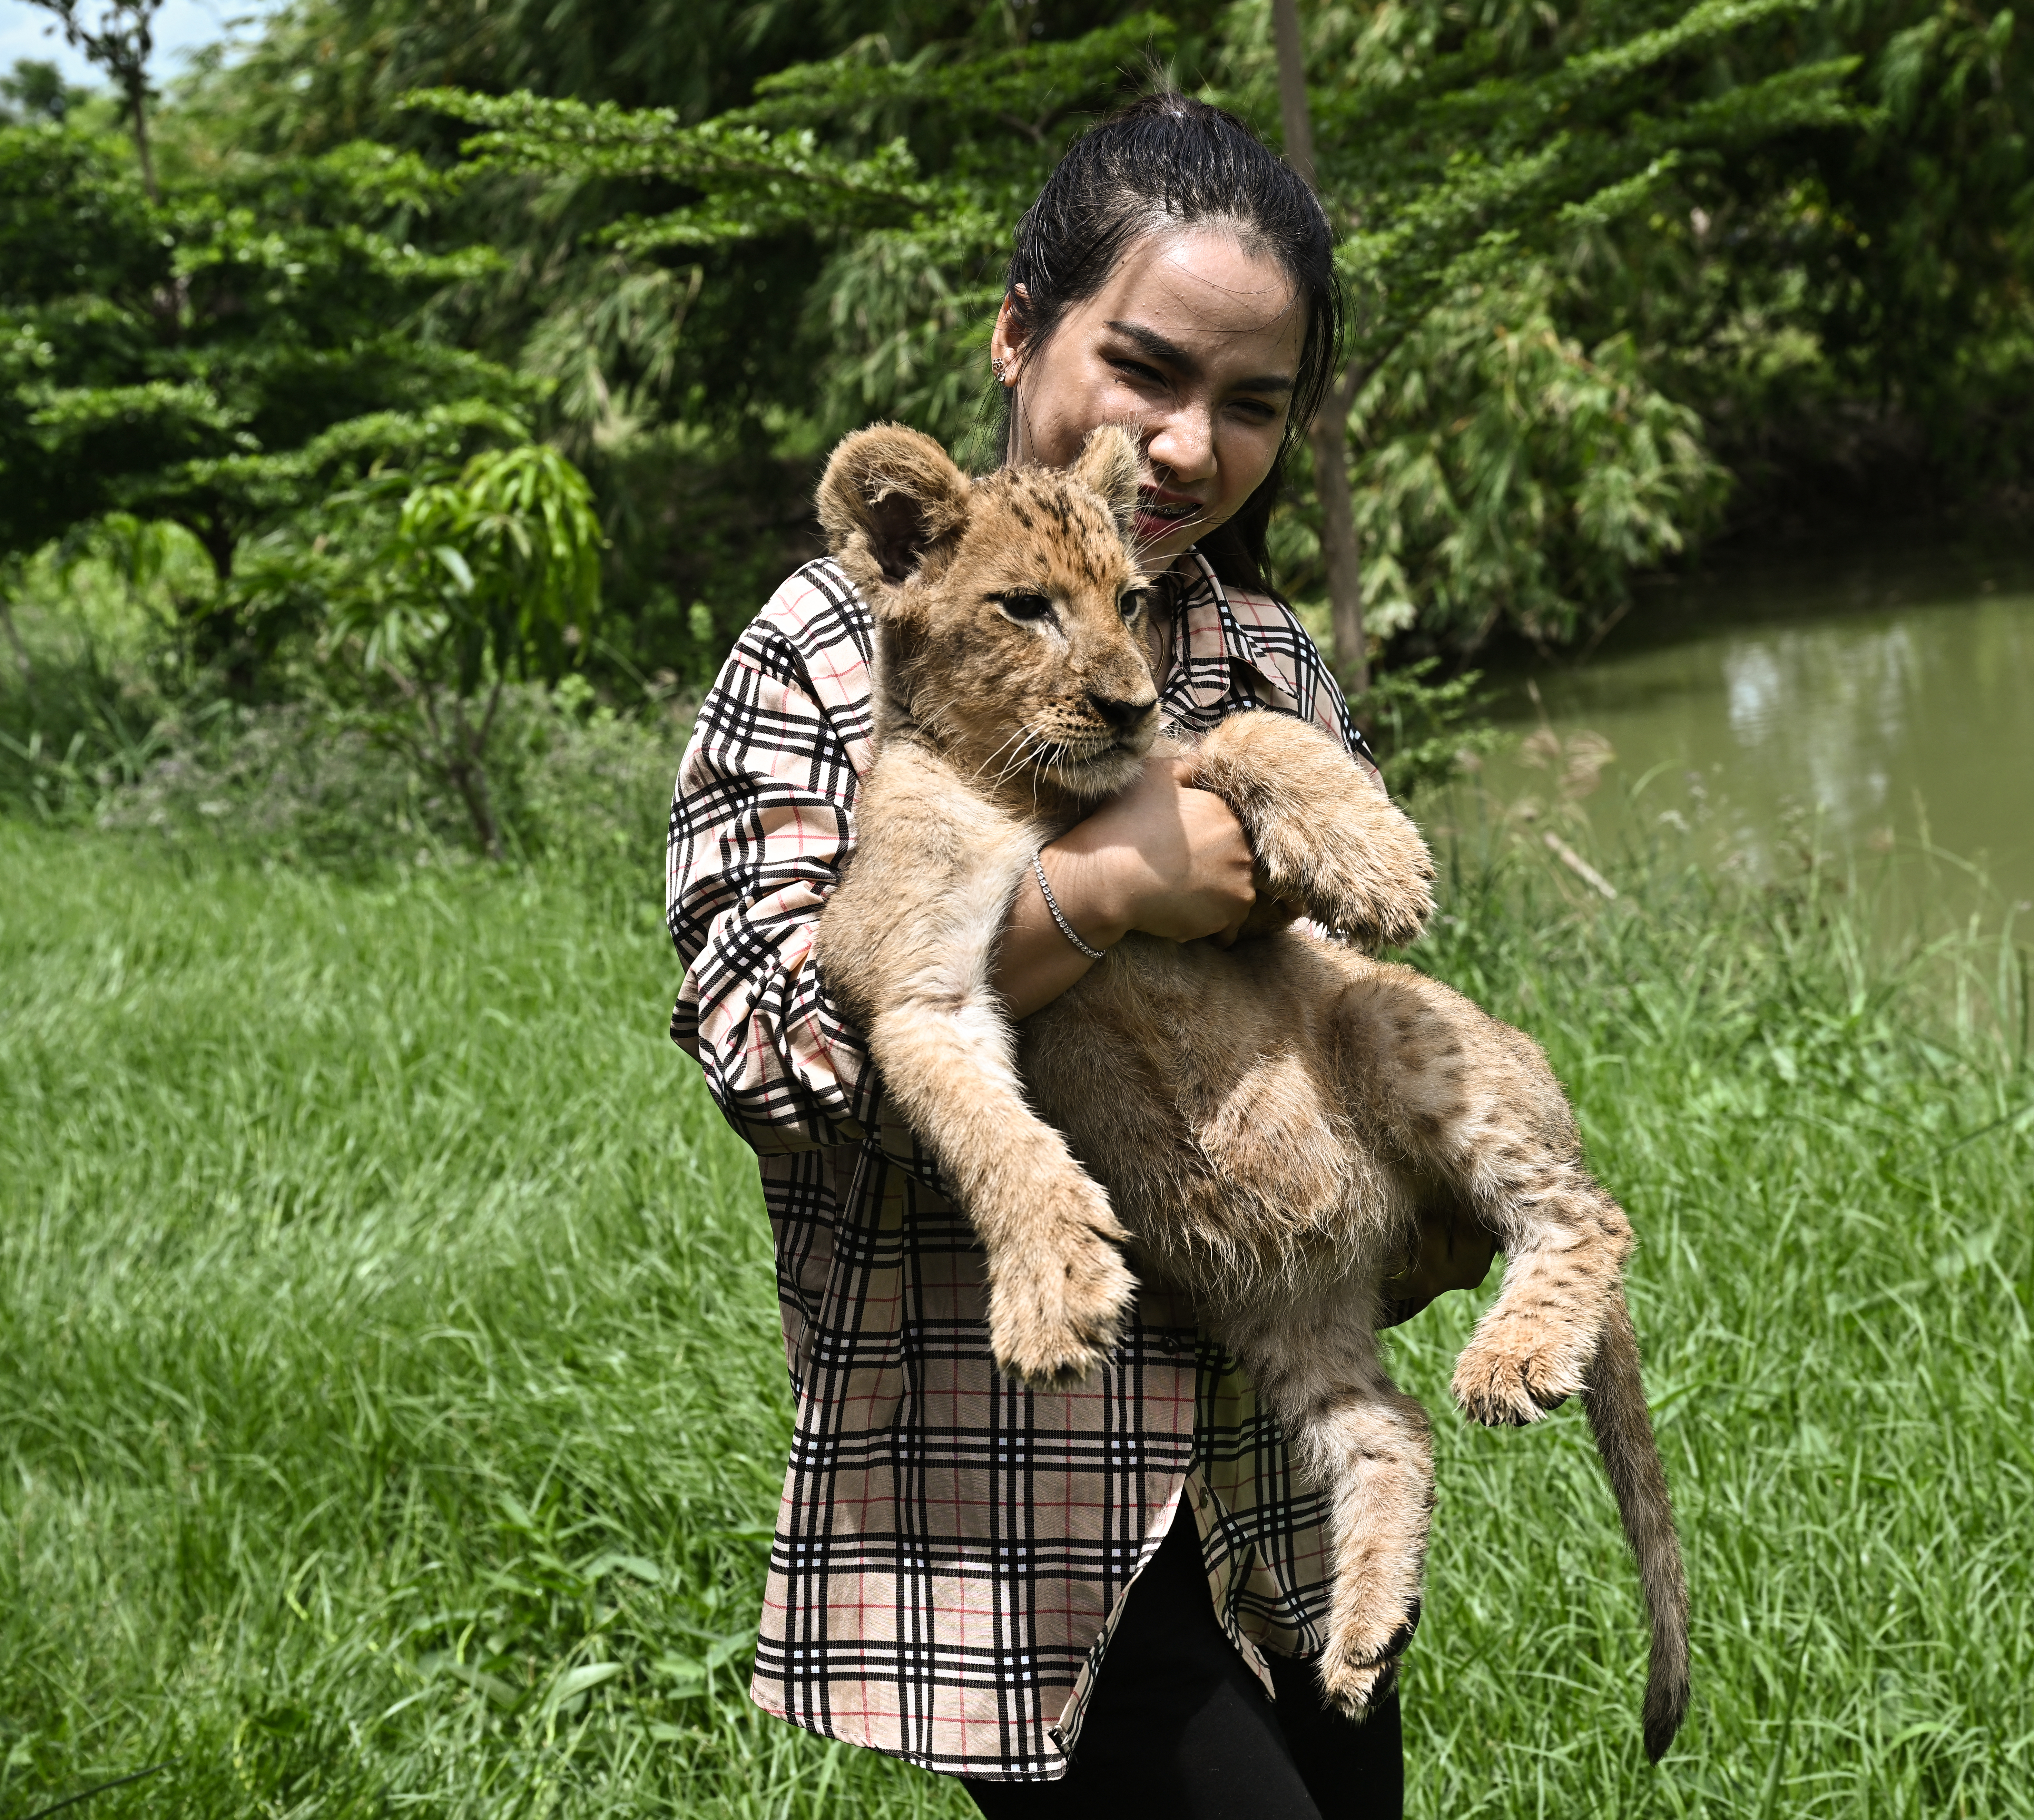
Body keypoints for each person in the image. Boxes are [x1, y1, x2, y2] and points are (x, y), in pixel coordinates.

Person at [665, 91, 1494, 1818]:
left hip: (1283, 1453)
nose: (1189, 441)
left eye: (1252, 402)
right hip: (1014, 1490)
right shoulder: (832, 643)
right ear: (1019, 331)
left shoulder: (1257, 645)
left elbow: (1342, 980)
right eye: (1147, 368)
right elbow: (764, 1052)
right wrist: (1102, 887)